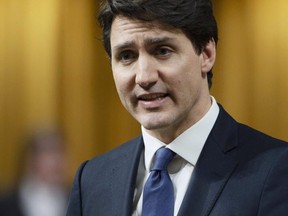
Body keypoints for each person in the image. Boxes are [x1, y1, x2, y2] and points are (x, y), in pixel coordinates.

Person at [66, 0, 288, 215]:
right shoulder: (91, 180)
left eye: (162, 51)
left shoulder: (277, 170)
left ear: (207, 54)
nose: (144, 77)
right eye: (127, 56)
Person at [0, 130, 68, 216]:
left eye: (61, 152)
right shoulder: (6, 203)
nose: (58, 161)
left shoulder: (77, 198)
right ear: (30, 159)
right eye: (49, 152)